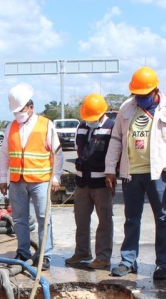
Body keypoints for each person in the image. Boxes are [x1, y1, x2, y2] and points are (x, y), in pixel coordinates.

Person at [104, 67, 166, 280]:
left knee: (162, 218)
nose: (140, 99)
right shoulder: (126, 108)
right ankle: (128, 261)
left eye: (144, 95)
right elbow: (116, 140)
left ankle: (163, 265)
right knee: (131, 218)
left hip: (159, 173)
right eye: (137, 95)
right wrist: (110, 169)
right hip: (132, 172)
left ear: (155, 90)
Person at [0, 83, 64, 270]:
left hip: (40, 180)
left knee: (44, 218)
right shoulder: (10, 127)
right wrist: (3, 178)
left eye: (20, 110)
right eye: (15, 112)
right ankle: (23, 251)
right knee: (19, 219)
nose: (17, 115)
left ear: (30, 107)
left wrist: (56, 177)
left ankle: (45, 255)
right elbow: (4, 154)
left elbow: (57, 154)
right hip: (17, 181)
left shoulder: (46, 125)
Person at [66, 94, 115, 271]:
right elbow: (79, 150)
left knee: (104, 221)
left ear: (102, 113)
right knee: (80, 218)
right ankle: (82, 252)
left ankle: (103, 257)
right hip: (82, 182)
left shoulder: (111, 128)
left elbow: (115, 154)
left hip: (102, 183)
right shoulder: (82, 126)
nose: (90, 121)